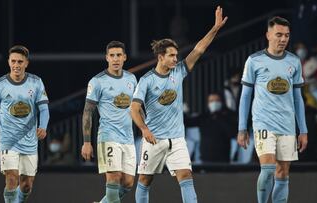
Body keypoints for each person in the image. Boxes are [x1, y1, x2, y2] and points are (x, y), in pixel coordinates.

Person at [131, 6, 227, 203]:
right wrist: (144, 129)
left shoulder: (178, 72)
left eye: (176, 55)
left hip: (177, 139)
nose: (176, 58)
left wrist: (215, 28)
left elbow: (199, 49)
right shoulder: (147, 80)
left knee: (186, 176)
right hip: (154, 140)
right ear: (160, 57)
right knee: (144, 180)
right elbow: (134, 109)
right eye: (172, 55)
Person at [237, 16, 308, 203]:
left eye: (286, 35)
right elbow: (245, 97)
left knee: (282, 173)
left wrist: (304, 130)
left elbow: (298, 99)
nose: (283, 39)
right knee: (268, 169)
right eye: (279, 34)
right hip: (263, 124)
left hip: (287, 125)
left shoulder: (294, 62)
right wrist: (242, 128)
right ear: (268, 35)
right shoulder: (254, 61)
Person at [0, 45, 50, 203]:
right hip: (8, 141)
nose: (16, 65)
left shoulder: (36, 82)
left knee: (26, 185)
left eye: (20, 62)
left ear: (26, 63)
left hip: (29, 141)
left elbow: (44, 109)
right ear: (8, 62)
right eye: (13, 61)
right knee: (12, 178)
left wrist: (43, 126)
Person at [81, 41, 137, 203]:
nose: (115, 59)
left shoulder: (131, 79)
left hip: (128, 138)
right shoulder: (97, 81)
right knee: (113, 178)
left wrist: (146, 128)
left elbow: (136, 107)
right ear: (107, 58)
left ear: (124, 57)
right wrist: (86, 142)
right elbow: (87, 112)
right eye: (112, 55)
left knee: (127, 183)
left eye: (119, 55)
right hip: (108, 136)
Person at [198, 92, 235, 163]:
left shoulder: (229, 116)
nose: (214, 103)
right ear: (208, 103)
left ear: (222, 102)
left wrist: (220, 117)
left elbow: (233, 133)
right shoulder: (204, 117)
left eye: (217, 100)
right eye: (211, 101)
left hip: (223, 158)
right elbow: (188, 122)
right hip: (205, 158)